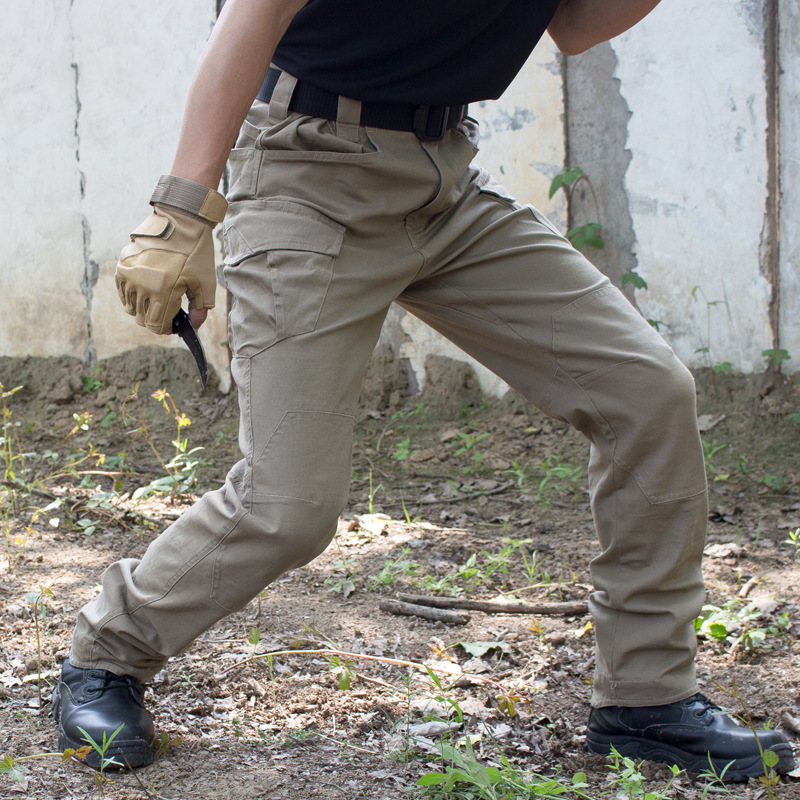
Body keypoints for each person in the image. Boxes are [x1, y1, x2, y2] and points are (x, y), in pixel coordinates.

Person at [52, 0, 794, 781]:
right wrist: (181, 214)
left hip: (442, 185)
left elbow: (575, 25)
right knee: (287, 508)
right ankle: (107, 654)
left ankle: (647, 700)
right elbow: (255, 14)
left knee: (647, 393)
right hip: (310, 176)